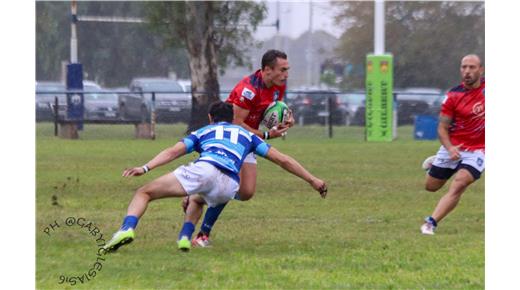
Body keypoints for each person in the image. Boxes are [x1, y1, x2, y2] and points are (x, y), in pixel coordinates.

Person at [103, 101, 327, 252]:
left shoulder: (204, 131)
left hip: (207, 169)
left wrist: (145, 168)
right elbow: (283, 159)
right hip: (229, 185)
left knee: (144, 192)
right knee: (198, 198)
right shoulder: (247, 136)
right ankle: (185, 237)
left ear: (211, 118)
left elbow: (173, 151)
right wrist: (313, 180)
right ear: (232, 119)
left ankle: (126, 229)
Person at [189, 49, 295, 247]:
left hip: (247, 139)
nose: (286, 74)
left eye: (287, 70)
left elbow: (275, 109)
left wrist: (287, 118)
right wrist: (265, 135)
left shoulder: (277, 86)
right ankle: (202, 235)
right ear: (267, 70)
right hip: (229, 139)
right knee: (229, 186)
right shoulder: (249, 90)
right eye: (282, 70)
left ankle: (199, 197)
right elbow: (236, 124)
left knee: (246, 192)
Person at [420, 54, 485, 235]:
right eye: (464, 67)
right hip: (454, 146)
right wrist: (449, 148)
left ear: (481, 70)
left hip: (479, 150)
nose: (467, 71)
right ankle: (434, 165)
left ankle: (430, 223)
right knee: (431, 187)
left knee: (459, 183)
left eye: (472, 67)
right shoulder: (453, 96)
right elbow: (442, 128)